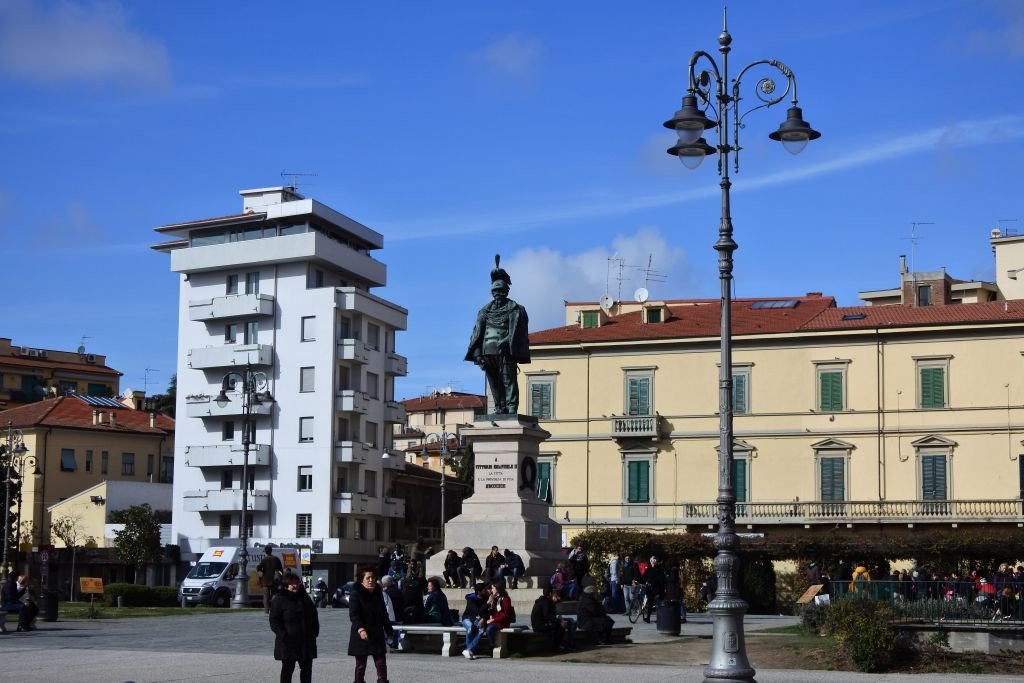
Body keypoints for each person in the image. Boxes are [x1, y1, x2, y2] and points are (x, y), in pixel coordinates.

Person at [464, 255, 531, 415]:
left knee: (508, 380)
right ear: (491, 292)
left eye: (501, 290)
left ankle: (512, 407)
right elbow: (477, 334)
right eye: (495, 291)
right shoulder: (484, 311)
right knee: (494, 382)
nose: (498, 294)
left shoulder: (516, 309)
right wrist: (478, 354)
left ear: (507, 291)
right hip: (488, 352)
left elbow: (521, 333)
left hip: (506, 351)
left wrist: (507, 340)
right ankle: (500, 407)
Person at [269, 573, 319, 683]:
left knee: (306, 670)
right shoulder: (280, 599)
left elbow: (314, 614)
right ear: (286, 585)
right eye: (292, 584)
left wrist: (315, 631)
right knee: (288, 669)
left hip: (306, 641)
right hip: (288, 641)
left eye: (297, 583)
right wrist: (282, 634)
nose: (295, 586)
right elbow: (274, 620)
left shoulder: (305, 597)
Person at [348, 568, 393, 683]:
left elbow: (384, 614)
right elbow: (354, 615)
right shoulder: (355, 594)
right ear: (362, 580)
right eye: (368, 578)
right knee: (361, 665)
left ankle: (382, 681)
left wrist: (389, 631)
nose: (371, 580)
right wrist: (361, 629)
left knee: (381, 663)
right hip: (361, 634)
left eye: (373, 577)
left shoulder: (378, 593)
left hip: (376, 632)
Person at [466, 582, 512, 658]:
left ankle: (491, 645)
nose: (490, 590)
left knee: (489, 629)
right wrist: (488, 616)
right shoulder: (493, 598)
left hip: (501, 622)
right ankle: (470, 649)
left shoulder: (505, 599)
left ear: (497, 589)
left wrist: (493, 619)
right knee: (478, 626)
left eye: (492, 588)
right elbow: (487, 611)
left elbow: (505, 615)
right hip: (494, 621)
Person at [530, 586, 576, 651]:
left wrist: (557, 600)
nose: (554, 594)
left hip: (540, 624)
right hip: (540, 626)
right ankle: (557, 646)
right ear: (550, 594)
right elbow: (547, 616)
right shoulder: (545, 602)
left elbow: (550, 613)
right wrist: (559, 621)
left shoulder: (544, 601)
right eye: (553, 593)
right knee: (561, 626)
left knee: (570, 622)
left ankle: (567, 644)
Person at [461, 582, 490, 660]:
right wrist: (487, 603)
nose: (486, 590)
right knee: (470, 627)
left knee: (481, 630)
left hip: (478, 619)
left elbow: (487, 612)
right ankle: (469, 651)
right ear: (479, 591)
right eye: (485, 589)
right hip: (467, 618)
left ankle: (469, 650)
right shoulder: (471, 599)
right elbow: (477, 611)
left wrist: (483, 618)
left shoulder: (486, 598)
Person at [258, 545, 284, 615]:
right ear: (271, 551)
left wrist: (262, 573)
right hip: (275, 580)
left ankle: (266, 611)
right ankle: (274, 609)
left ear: (265, 552)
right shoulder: (276, 559)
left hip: (266, 580)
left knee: (266, 597)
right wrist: (281, 578)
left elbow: (258, 568)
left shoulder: (264, 560)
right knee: (274, 595)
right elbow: (281, 570)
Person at [642, 555, 666, 623]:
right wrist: (638, 581)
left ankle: (660, 618)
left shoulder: (659, 569)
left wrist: (652, 583)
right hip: (649, 589)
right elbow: (644, 577)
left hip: (657, 589)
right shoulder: (648, 569)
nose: (653, 562)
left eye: (654, 560)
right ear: (650, 561)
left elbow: (660, 579)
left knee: (658, 604)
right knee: (650, 603)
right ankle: (648, 618)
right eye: (652, 560)